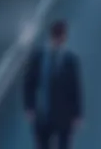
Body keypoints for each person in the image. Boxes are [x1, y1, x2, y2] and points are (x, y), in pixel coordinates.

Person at [23, 19, 83, 148]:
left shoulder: (70, 61)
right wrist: (29, 106)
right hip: (44, 113)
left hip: (63, 115)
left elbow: (75, 87)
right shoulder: (38, 58)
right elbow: (29, 83)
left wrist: (77, 113)